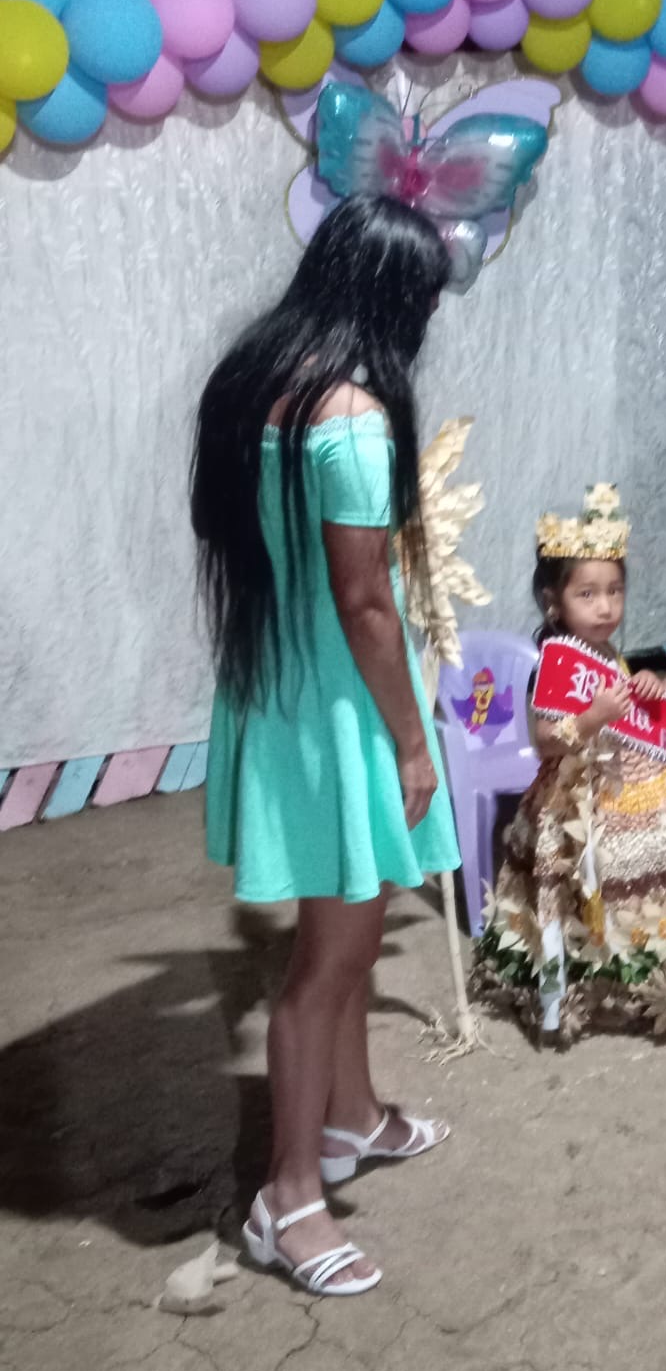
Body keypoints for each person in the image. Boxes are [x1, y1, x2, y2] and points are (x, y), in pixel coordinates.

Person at [191, 195, 460, 1298]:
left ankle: (352, 1114)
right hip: (343, 709)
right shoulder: (351, 416)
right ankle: (287, 1195)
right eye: (424, 301)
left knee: (351, 929)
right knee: (327, 963)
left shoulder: (259, 377)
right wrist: (411, 740)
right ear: (393, 299)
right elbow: (364, 602)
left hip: (283, 692)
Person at [472, 488, 666, 1046]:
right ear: (553, 602)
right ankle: (589, 980)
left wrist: (647, 683)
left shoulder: (608, 653)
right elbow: (544, 739)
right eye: (587, 594)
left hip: (639, 780)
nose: (606, 607)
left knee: (658, 873)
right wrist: (592, 718)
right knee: (593, 883)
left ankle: (660, 967)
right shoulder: (555, 663)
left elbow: (632, 703)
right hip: (579, 795)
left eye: (615, 591)